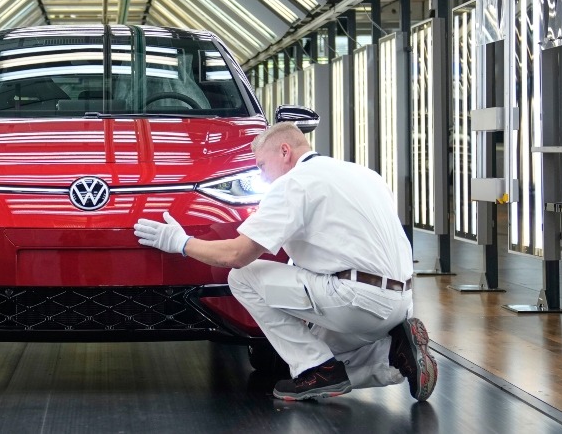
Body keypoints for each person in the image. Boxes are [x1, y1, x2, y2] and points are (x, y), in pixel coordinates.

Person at [133, 122, 436, 402]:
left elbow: (237, 255)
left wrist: (180, 242)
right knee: (323, 353)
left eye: (261, 166)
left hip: (356, 302)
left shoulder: (294, 183)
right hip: (401, 303)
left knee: (243, 277)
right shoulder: (365, 174)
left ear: (285, 151)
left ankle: (318, 368)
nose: (262, 177)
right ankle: (395, 355)